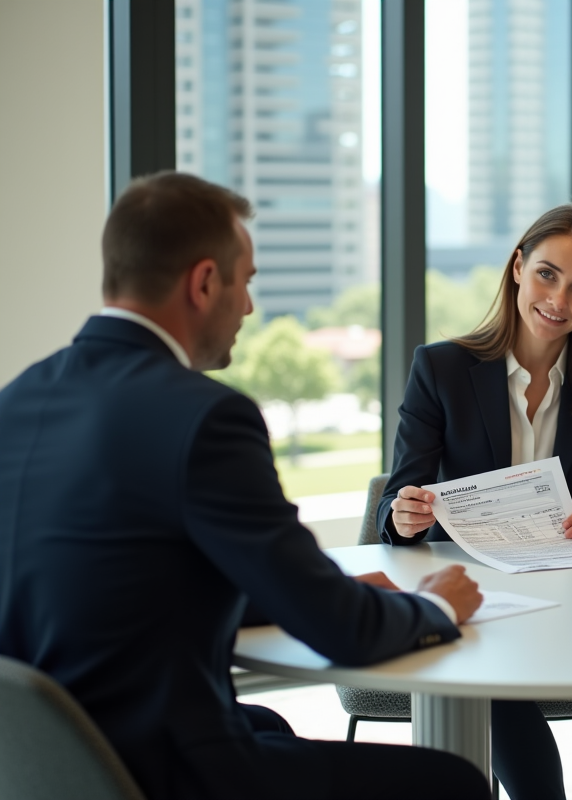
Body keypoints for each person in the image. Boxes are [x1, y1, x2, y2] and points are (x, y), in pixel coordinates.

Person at [0, 172, 491, 800]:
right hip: (154, 773)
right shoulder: (203, 417)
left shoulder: (19, 399)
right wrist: (438, 606)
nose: (250, 308)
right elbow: (343, 632)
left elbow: (132, 577)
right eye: (247, 282)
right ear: (205, 282)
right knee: (451, 781)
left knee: (269, 725)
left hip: (49, 761)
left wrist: (321, 588)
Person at [377, 201, 572, 800]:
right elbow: (397, 500)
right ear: (517, 267)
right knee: (484, 667)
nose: (559, 301)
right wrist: (403, 516)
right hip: (473, 591)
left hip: (569, 595)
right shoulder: (441, 368)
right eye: (547, 274)